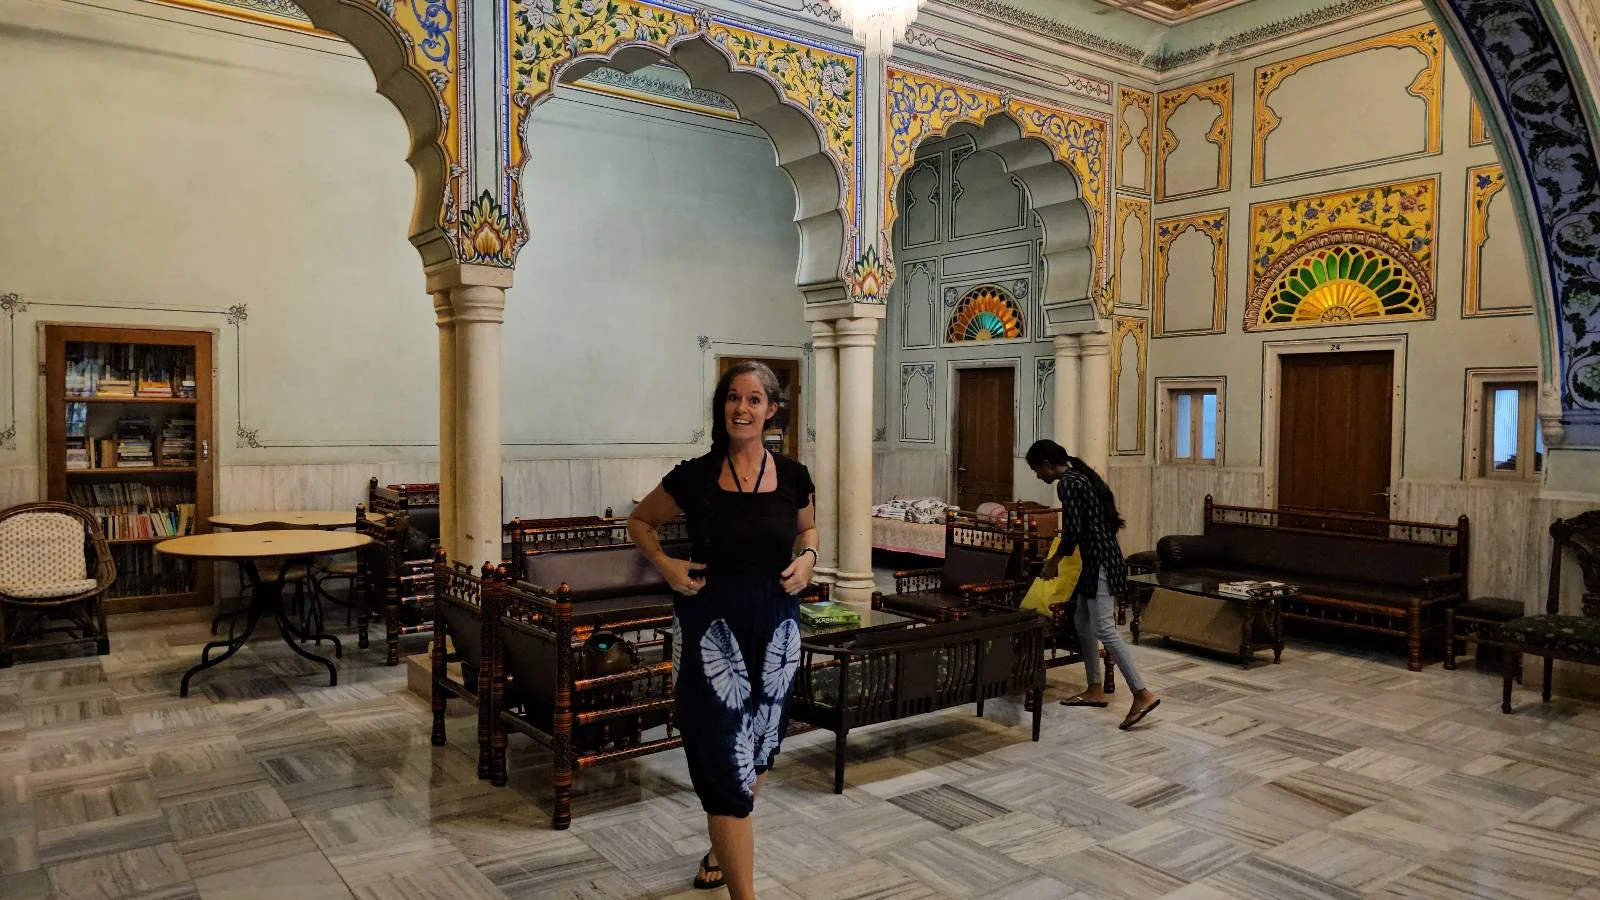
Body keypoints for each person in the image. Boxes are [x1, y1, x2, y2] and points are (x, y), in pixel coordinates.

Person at [628, 361, 818, 899]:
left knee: (758, 750)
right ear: (722, 408)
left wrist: (807, 557)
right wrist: (666, 565)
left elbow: (807, 527)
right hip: (713, 629)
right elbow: (639, 522)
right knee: (721, 758)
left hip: (776, 629)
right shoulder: (695, 475)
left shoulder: (795, 476)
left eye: (754, 399)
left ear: (771, 410)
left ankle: (720, 846)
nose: (742, 408)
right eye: (733, 398)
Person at [1025, 439, 1159, 730]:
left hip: (1098, 559)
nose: (1038, 476)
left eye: (1037, 470)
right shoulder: (1080, 475)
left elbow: (1073, 530)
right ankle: (1094, 688)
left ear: (1048, 464)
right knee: (1081, 622)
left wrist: (1054, 561)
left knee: (1104, 629)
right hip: (1099, 556)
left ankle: (1142, 693)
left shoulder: (1069, 484)